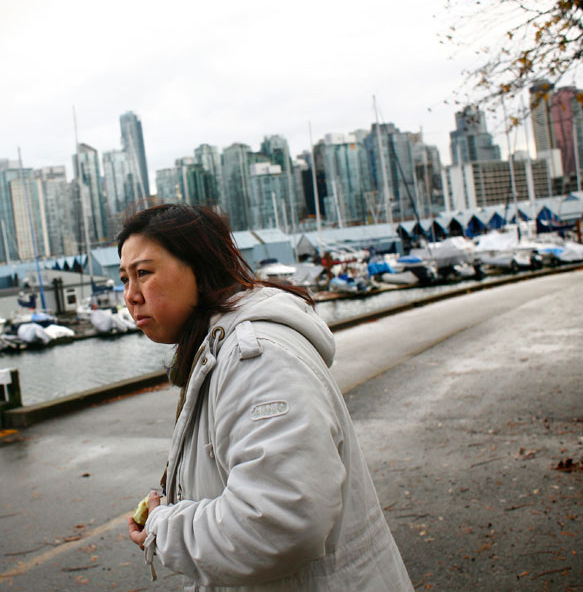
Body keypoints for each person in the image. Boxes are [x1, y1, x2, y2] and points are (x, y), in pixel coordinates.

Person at [120, 204, 411, 590]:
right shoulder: (218, 352)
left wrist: (164, 526)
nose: (131, 296)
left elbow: (280, 522)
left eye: (143, 273)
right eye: (124, 279)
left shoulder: (256, 358)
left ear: (200, 267)